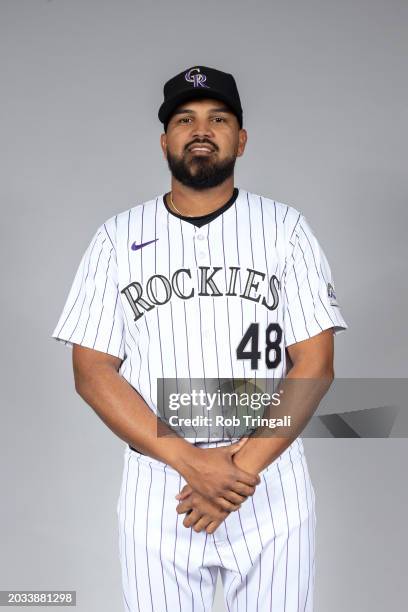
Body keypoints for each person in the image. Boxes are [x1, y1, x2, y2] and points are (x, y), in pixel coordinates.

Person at [51, 65, 348, 611]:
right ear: (165, 140)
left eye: (219, 118)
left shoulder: (286, 229)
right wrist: (194, 463)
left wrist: (237, 474)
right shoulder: (116, 239)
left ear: (242, 138)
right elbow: (91, 372)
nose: (202, 129)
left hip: (269, 485)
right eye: (185, 119)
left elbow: (315, 364)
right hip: (160, 485)